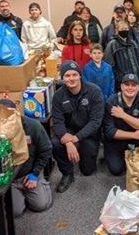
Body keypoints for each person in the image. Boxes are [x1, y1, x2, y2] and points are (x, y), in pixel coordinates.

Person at [0, 99, 53, 217]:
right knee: (15, 212)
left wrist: (35, 174)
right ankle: (17, 195)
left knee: (41, 205)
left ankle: (39, 185)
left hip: (29, 173)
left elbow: (46, 149)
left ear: (17, 113)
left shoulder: (33, 126)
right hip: (9, 179)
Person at [51, 61, 104, 193]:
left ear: (80, 75)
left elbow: (96, 122)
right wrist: (68, 142)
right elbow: (57, 122)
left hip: (89, 132)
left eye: (74, 75)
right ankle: (67, 173)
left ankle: (82, 149)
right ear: (62, 78)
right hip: (69, 131)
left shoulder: (94, 91)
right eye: (67, 75)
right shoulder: (58, 96)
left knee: (87, 171)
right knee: (55, 143)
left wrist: (76, 138)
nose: (71, 78)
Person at [101, 73, 139, 175]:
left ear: (138, 87)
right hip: (117, 139)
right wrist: (133, 135)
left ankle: (135, 155)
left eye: (133, 85)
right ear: (121, 86)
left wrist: (123, 115)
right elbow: (109, 131)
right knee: (116, 170)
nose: (130, 88)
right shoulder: (111, 102)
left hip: (137, 136)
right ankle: (124, 153)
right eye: (127, 84)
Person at [105, 20, 139, 94]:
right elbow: (109, 65)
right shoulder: (112, 44)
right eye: (122, 29)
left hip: (135, 79)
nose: (124, 31)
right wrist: (119, 78)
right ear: (117, 30)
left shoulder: (133, 43)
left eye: (126, 29)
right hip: (121, 82)